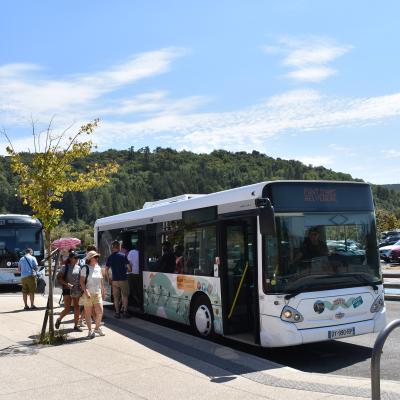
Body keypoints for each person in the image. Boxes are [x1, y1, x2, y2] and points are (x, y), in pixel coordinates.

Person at [80, 250, 106, 338]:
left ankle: (97, 328)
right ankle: (90, 331)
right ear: (90, 258)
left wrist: (103, 290)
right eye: (95, 257)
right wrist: (86, 291)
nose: (97, 258)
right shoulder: (85, 268)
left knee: (100, 312)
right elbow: (82, 281)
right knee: (88, 313)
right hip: (88, 293)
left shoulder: (98, 267)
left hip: (97, 292)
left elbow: (101, 280)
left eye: (97, 257)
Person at [55, 252, 82, 332]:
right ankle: (59, 319)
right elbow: (59, 278)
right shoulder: (65, 267)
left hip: (76, 289)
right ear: (70, 258)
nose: (77, 259)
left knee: (77, 307)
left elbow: (80, 278)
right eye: (75, 258)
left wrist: (81, 287)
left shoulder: (79, 267)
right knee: (67, 309)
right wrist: (67, 284)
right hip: (67, 289)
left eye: (77, 258)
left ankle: (76, 326)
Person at [106, 241, 131, 318]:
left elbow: (106, 269)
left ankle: (117, 313)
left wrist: (108, 278)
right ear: (119, 247)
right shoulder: (123, 256)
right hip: (123, 279)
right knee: (125, 296)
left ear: (113, 247)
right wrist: (128, 269)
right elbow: (129, 268)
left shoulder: (110, 257)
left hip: (114, 280)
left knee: (116, 297)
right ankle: (125, 312)